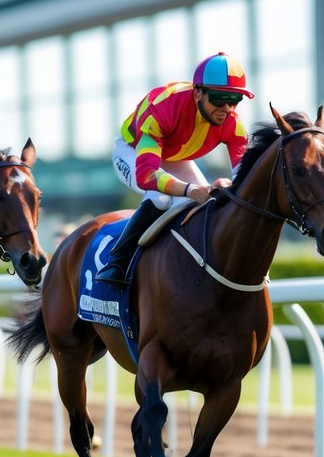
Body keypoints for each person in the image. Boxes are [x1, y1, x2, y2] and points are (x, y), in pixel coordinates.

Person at [96, 51, 251, 287]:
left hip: (176, 157)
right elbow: (147, 175)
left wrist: (228, 186)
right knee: (160, 199)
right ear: (197, 92)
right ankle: (117, 260)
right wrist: (189, 190)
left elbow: (244, 180)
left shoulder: (234, 126)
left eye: (234, 100)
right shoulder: (163, 105)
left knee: (206, 203)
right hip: (134, 151)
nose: (227, 108)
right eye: (219, 98)